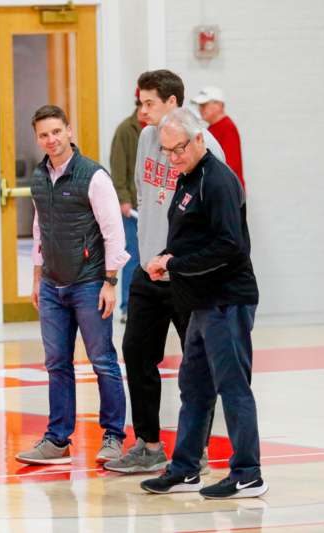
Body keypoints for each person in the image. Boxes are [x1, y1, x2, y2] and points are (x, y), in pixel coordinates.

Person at [139, 108, 265, 499]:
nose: (173, 158)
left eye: (179, 149)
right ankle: (185, 468)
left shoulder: (219, 181)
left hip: (227, 300)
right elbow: (189, 237)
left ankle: (248, 472)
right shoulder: (188, 178)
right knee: (193, 387)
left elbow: (231, 246)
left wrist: (175, 264)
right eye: (167, 152)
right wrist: (165, 258)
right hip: (200, 301)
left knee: (233, 387)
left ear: (198, 140)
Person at [105, 70, 225, 475]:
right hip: (147, 273)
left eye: (149, 103)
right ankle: (148, 445)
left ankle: (196, 451)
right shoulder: (144, 138)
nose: (142, 111)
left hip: (188, 277)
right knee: (137, 353)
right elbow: (146, 193)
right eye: (140, 103)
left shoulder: (209, 147)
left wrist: (183, 260)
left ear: (173, 103)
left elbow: (216, 217)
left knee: (196, 366)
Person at [14, 105, 130, 466]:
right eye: (43, 135)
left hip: (89, 283)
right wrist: (36, 277)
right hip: (51, 285)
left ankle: (113, 436)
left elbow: (114, 233)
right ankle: (57, 440)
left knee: (103, 361)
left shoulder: (93, 176)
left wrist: (110, 283)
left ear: (69, 130)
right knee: (56, 364)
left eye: (56, 132)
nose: (51, 140)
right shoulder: (39, 176)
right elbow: (38, 229)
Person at [109, 89, 144, 323]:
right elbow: (118, 168)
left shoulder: (161, 129)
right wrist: (123, 199)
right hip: (131, 207)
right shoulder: (125, 130)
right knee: (132, 256)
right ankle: (127, 307)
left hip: (154, 206)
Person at [191, 86, 244, 188]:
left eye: (204, 105)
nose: (200, 109)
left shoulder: (227, 127)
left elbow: (230, 165)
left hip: (227, 189)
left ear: (218, 105)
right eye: (199, 106)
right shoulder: (214, 127)